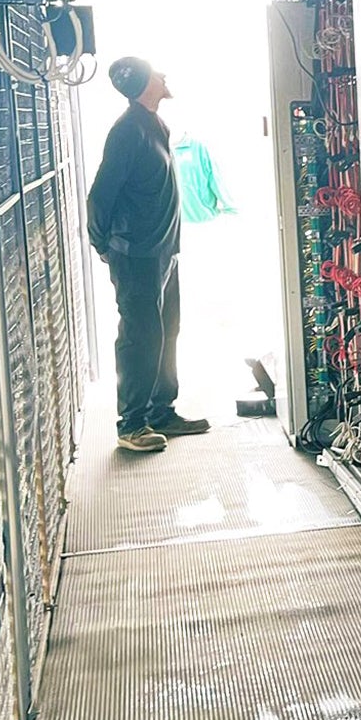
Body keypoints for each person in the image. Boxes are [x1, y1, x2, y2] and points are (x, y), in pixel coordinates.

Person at [87, 57, 211, 452]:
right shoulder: (127, 132)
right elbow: (100, 195)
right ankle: (132, 425)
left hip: (162, 252)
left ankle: (161, 411)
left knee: (164, 331)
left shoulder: (155, 124)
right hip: (136, 255)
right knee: (140, 336)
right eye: (157, 73)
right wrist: (102, 243)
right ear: (143, 84)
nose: (164, 76)